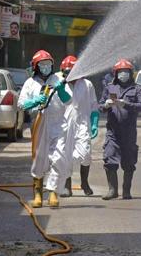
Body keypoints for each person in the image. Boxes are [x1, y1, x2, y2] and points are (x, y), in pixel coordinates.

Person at [17, 50, 72, 208]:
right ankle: (38, 193)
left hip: (58, 123)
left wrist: (61, 90)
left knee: (59, 157)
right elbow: (21, 104)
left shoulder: (59, 79)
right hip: (39, 122)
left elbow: (69, 101)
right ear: (35, 66)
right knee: (39, 159)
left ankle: (53, 192)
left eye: (48, 64)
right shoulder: (30, 83)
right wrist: (34, 101)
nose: (46, 67)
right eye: (42, 64)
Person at [99, 59, 141, 200]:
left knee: (128, 162)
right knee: (109, 159)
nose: (123, 75)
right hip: (113, 131)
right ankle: (112, 190)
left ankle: (126, 191)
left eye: (126, 72)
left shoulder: (136, 88)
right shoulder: (111, 88)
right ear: (115, 73)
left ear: (131, 73)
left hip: (129, 132)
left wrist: (126, 104)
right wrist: (106, 105)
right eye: (120, 72)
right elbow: (100, 106)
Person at [58, 56, 99, 198]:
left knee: (86, 154)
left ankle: (84, 182)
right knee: (66, 155)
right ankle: (67, 186)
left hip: (82, 123)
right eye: (67, 71)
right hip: (64, 125)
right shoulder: (59, 85)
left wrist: (94, 122)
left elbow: (94, 105)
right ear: (63, 71)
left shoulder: (87, 85)